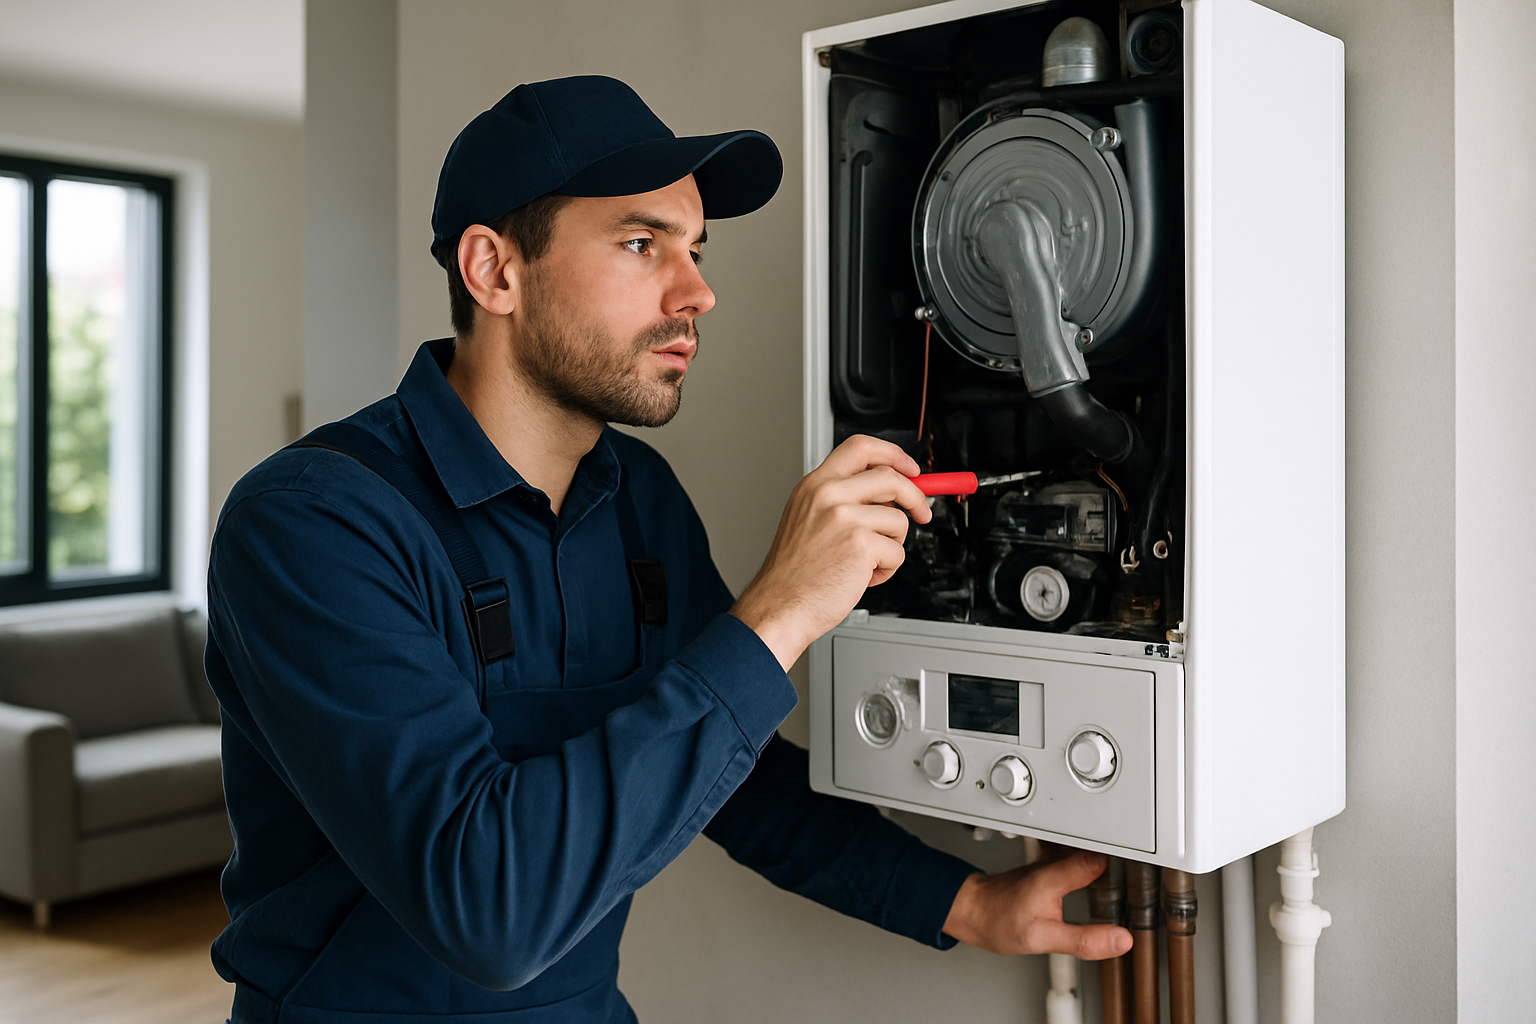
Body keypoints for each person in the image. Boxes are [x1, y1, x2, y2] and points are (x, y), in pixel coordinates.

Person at [205, 75, 1131, 1024]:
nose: (698, 291)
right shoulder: (312, 524)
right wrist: (777, 612)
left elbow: (727, 773)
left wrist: (966, 903)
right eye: (642, 243)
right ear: (494, 271)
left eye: (694, 250)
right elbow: (489, 912)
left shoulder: (637, 499)